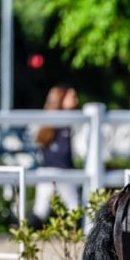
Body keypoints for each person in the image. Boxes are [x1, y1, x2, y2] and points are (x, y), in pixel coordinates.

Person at [30, 84, 81, 228]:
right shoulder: (66, 122)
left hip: (45, 170)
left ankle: (26, 236)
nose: (76, 101)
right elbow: (66, 152)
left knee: (40, 211)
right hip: (63, 170)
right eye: (72, 97)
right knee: (74, 208)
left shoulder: (48, 120)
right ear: (62, 99)